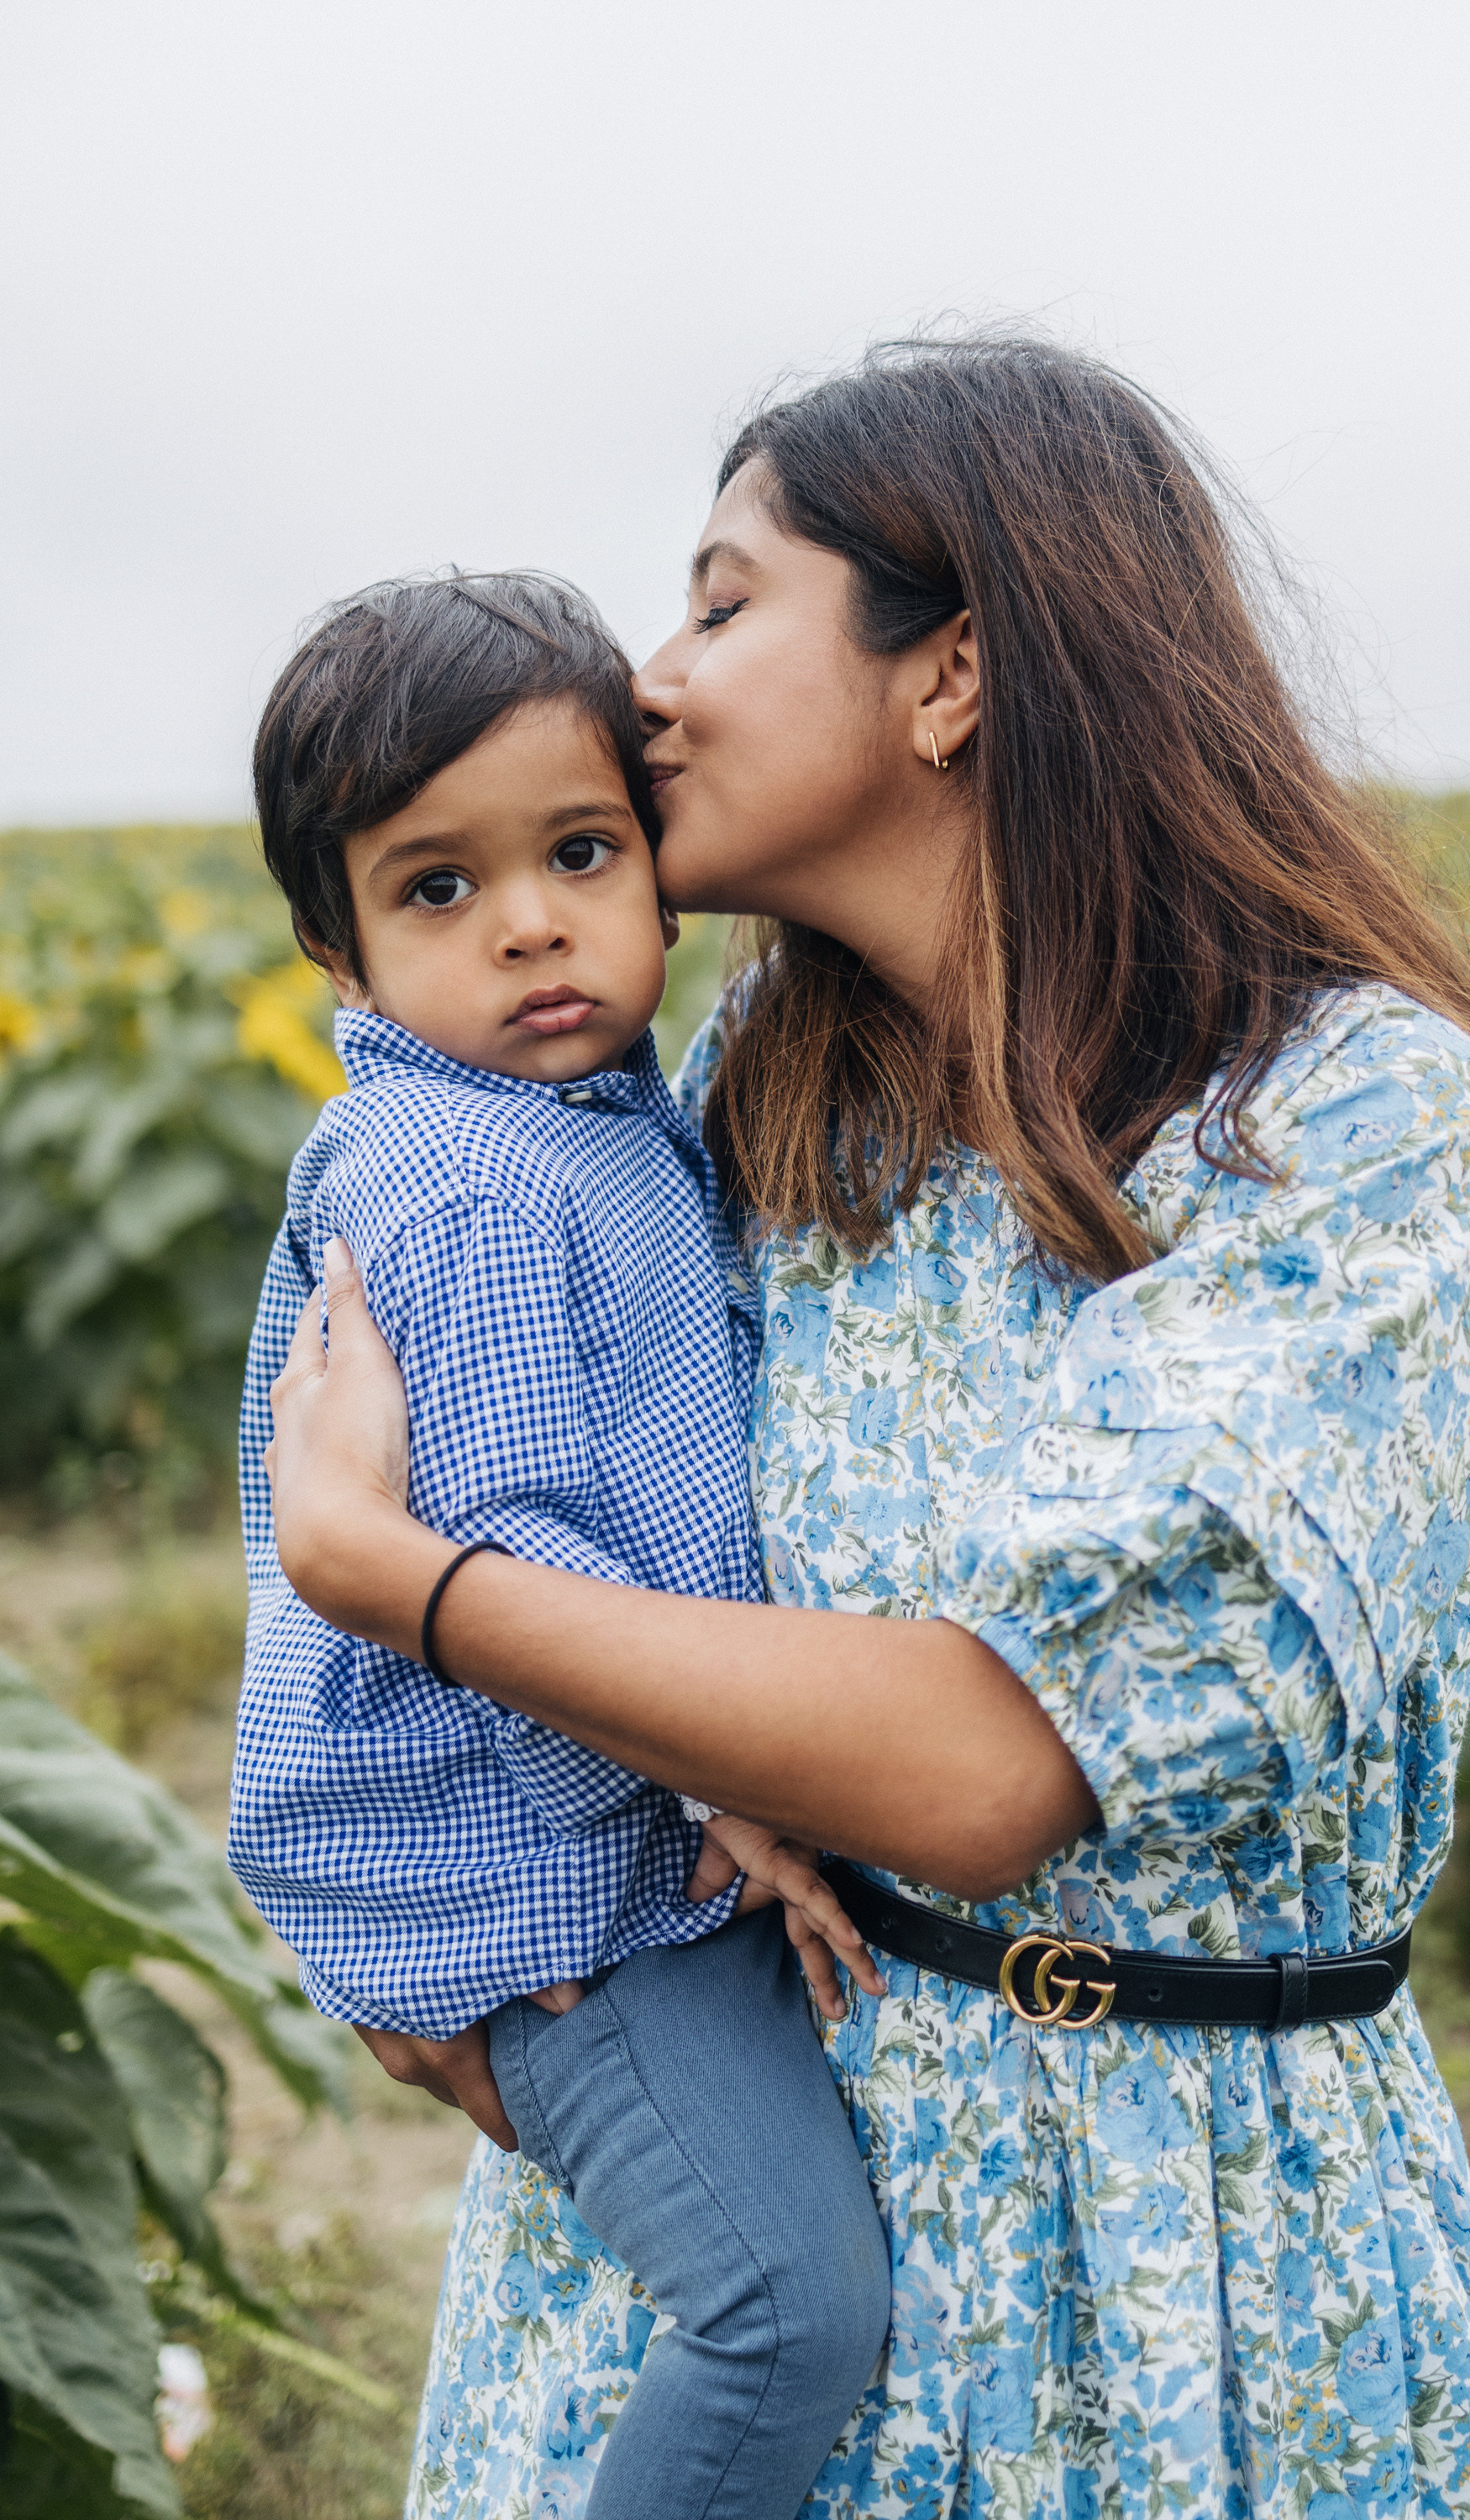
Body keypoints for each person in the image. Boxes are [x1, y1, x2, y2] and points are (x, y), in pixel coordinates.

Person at [259, 339, 1470, 2519]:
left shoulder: (1347, 1126)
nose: (649, 679)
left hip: (1166, 2259)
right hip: (760, 2141)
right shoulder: (769, 1088)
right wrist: (409, 1900)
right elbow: (418, 1442)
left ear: (949, 673)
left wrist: (417, 1597)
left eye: (722, 597)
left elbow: (983, 1766)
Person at [228, 570, 891, 2520]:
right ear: (336, 956)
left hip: (594, 1828)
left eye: (579, 852)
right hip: (557, 1886)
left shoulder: (590, 1118)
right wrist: (733, 1784)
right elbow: (498, 1564)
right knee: (782, 2307)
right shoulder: (468, 1179)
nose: (528, 922)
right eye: (436, 888)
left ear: (659, 876)